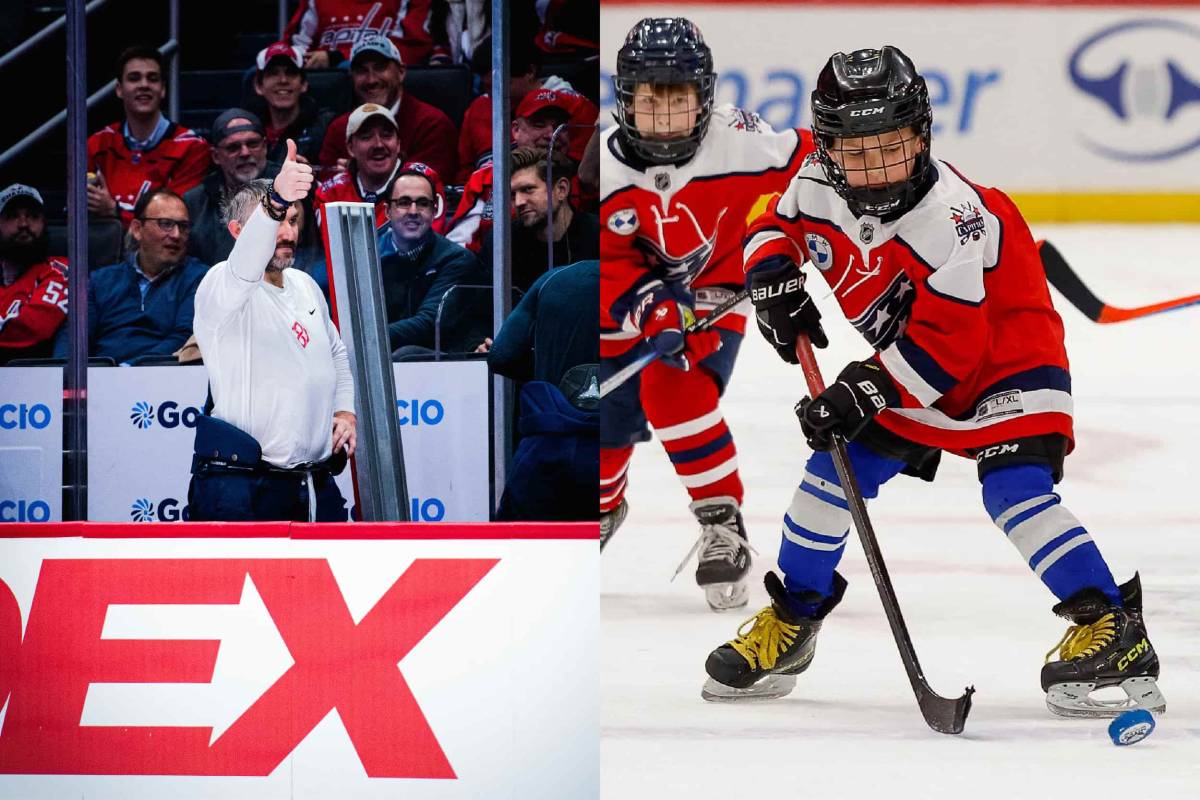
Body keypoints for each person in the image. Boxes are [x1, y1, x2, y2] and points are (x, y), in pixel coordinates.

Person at [701, 47, 1163, 720]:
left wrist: (861, 389)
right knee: (830, 477)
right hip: (908, 368)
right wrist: (771, 274)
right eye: (856, 152)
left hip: (1008, 361)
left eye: (892, 147)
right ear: (827, 149)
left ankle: (1114, 626)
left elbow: (952, 349)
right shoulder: (816, 184)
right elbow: (770, 220)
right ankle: (794, 621)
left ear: (922, 136)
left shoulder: (951, 219)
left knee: (1013, 491)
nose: (875, 167)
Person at [599, 18, 813, 610]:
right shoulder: (603, 169)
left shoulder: (745, 144)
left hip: (717, 293)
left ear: (705, 98)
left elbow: (824, 168)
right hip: (629, 299)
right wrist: (653, 307)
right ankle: (602, 502)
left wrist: (809, 236)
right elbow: (610, 263)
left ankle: (722, 522)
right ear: (625, 100)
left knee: (674, 392)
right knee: (600, 419)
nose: (664, 118)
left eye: (678, 101)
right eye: (649, 102)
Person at [188, 140, 356, 522]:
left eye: (293, 220)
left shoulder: (305, 285)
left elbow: (336, 355)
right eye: (276, 221)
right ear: (237, 230)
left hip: (312, 483)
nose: (287, 232)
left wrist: (345, 413)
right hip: (243, 487)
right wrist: (276, 200)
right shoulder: (221, 284)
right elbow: (247, 260)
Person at [489, 259, 599, 521]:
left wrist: (546, 372)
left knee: (523, 549)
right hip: (620, 447)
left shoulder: (553, 279)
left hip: (549, 439)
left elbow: (502, 356)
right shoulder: (652, 287)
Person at [53, 189, 208, 364]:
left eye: (184, 227)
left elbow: (183, 337)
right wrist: (63, 374)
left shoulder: (199, 278)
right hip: (101, 378)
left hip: (163, 376)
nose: (176, 235)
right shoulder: (100, 281)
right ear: (137, 229)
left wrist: (130, 370)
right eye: (166, 224)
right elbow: (73, 336)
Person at [448, 89, 594, 255]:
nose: (551, 134)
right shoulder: (487, 178)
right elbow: (459, 247)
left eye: (559, 126)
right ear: (516, 130)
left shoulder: (585, 177)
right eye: (539, 125)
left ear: (562, 188)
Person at [87, 46, 211, 227]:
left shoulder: (193, 148)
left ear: (163, 90)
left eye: (152, 79)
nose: (144, 85)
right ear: (119, 89)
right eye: (134, 78)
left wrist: (114, 211)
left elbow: (174, 220)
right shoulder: (97, 144)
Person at [317, 34, 458, 181]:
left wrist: (362, 174)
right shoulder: (339, 129)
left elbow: (432, 186)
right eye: (362, 71)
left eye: (380, 67)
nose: (371, 80)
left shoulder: (432, 124)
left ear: (401, 72)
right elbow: (326, 185)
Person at [376, 163, 483, 352]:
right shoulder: (368, 255)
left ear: (435, 211)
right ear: (387, 211)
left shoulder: (457, 259)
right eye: (404, 202)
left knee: (405, 353)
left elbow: (428, 324)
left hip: (434, 365)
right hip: (374, 359)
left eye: (423, 203)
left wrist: (363, 337)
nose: (413, 211)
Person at [480, 147, 597, 293]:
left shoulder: (598, 236)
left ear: (561, 189)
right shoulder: (501, 242)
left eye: (528, 189)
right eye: (512, 194)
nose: (518, 202)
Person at [183, 109, 280, 266]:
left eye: (253, 144)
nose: (245, 153)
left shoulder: (289, 188)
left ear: (265, 147)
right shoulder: (195, 202)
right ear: (215, 156)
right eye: (233, 147)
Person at [0, 185, 68, 363]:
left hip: (34, 374)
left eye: (32, 216)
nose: (23, 224)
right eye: (12, 216)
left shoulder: (61, 269)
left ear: (44, 223)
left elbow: (34, 327)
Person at [313, 103, 404, 232]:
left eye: (386, 135)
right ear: (350, 148)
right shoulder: (331, 194)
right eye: (366, 137)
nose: (378, 144)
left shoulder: (423, 184)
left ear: (398, 144)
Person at [283, 0, 450, 68]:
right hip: (326, 85)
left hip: (382, 79)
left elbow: (411, 47)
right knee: (263, 72)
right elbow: (294, 46)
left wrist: (340, 57)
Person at [250, 42, 336, 166]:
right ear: (258, 86)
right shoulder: (248, 131)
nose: (283, 80)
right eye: (274, 73)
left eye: (290, 73)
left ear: (304, 84)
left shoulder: (327, 126)